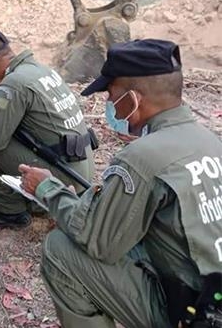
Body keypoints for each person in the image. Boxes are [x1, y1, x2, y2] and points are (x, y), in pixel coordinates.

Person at [19, 39, 222, 328]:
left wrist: (48, 189)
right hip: (212, 292)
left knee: (59, 249)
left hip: (194, 314)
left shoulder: (142, 157)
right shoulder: (210, 141)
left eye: (112, 95)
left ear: (134, 99)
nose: (110, 105)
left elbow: (98, 242)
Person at [0, 31, 94, 229]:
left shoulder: (14, 83)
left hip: (66, 176)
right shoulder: (41, 69)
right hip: (82, 171)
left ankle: (9, 212)